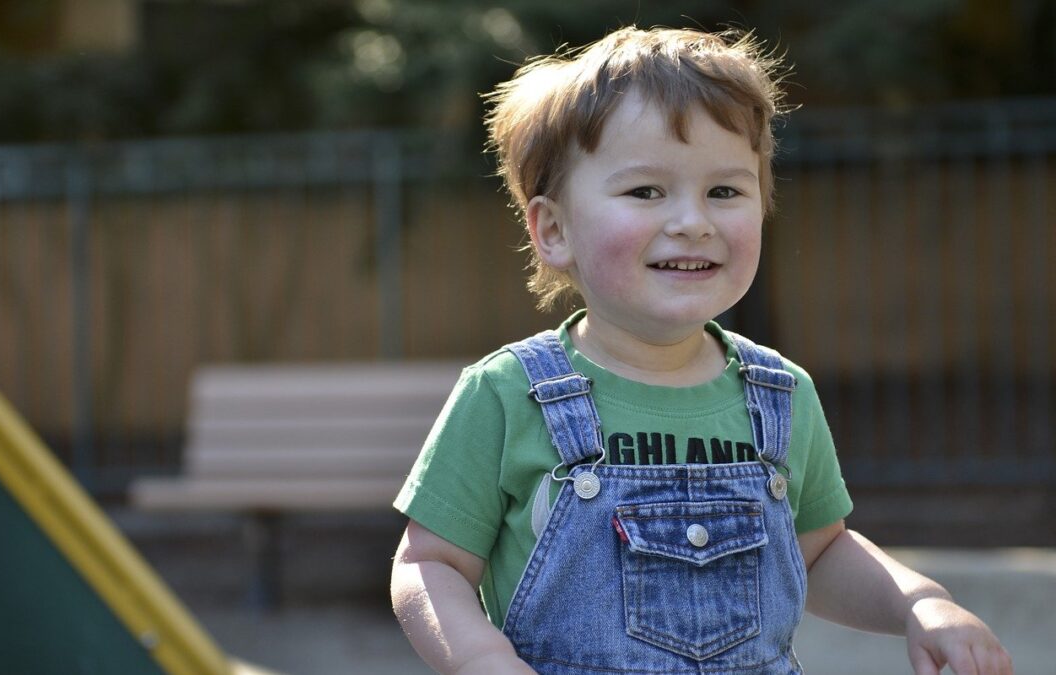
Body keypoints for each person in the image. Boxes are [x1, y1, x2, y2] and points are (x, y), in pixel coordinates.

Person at [390, 26, 1013, 675]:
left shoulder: (779, 393)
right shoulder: (507, 393)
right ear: (554, 229)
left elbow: (821, 552)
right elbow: (428, 563)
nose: (693, 220)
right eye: (645, 191)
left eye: (724, 191)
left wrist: (921, 602)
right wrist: (480, 658)